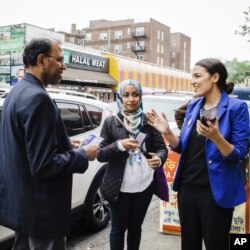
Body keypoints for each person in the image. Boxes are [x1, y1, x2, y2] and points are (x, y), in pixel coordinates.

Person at [0, 38, 99, 250]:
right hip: (43, 214)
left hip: (24, 209)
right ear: (42, 60)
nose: (64, 66)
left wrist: (64, 145)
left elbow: (23, 147)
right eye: (60, 60)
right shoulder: (38, 98)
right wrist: (82, 154)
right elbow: (43, 165)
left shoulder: (15, 93)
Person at [146, 58, 250, 250]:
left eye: (197, 76)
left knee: (216, 245)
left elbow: (239, 154)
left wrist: (217, 138)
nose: (192, 81)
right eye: (191, 76)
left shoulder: (237, 109)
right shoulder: (194, 106)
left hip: (215, 192)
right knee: (189, 245)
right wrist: (167, 133)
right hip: (187, 189)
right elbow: (183, 147)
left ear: (215, 77)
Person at [97, 79, 167, 250]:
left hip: (144, 185)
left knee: (135, 228)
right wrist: (120, 145)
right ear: (120, 97)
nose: (131, 99)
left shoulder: (148, 121)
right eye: (126, 95)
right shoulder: (110, 122)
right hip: (118, 186)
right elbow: (100, 154)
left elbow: (161, 148)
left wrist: (159, 158)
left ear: (140, 97)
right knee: (118, 229)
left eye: (135, 95)